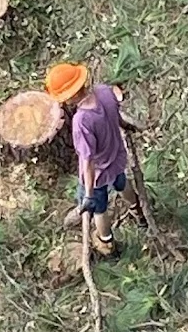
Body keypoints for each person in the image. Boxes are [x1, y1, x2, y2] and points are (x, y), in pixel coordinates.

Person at [45, 63, 143, 257]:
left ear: (71, 96)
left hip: (98, 173)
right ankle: (138, 211)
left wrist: (89, 193)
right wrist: (126, 125)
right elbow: (116, 116)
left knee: (99, 209)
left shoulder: (82, 121)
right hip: (116, 158)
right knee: (122, 183)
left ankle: (106, 243)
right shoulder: (104, 91)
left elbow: (87, 160)